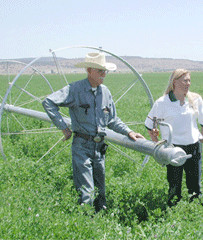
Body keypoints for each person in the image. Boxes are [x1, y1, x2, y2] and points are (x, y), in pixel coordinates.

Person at [42, 52, 144, 212]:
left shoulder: (105, 92)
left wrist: (129, 132)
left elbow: (112, 120)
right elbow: (48, 102)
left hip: (99, 148)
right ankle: (86, 227)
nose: (104, 75)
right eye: (100, 71)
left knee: (100, 193)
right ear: (89, 71)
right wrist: (63, 128)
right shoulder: (75, 89)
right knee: (87, 193)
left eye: (105, 71)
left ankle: (100, 225)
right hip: (82, 146)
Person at [145, 69, 203, 207]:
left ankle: (196, 210)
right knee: (174, 185)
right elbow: (150, 124)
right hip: (172, 149)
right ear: (174, 82)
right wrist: (156, 141)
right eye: (184, 80)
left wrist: (202, 136)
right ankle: (173, 211)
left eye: (189, 80)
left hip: (193, 147)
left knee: (195, 184)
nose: (188, 83)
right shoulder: (162, 102)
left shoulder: (195, 99)